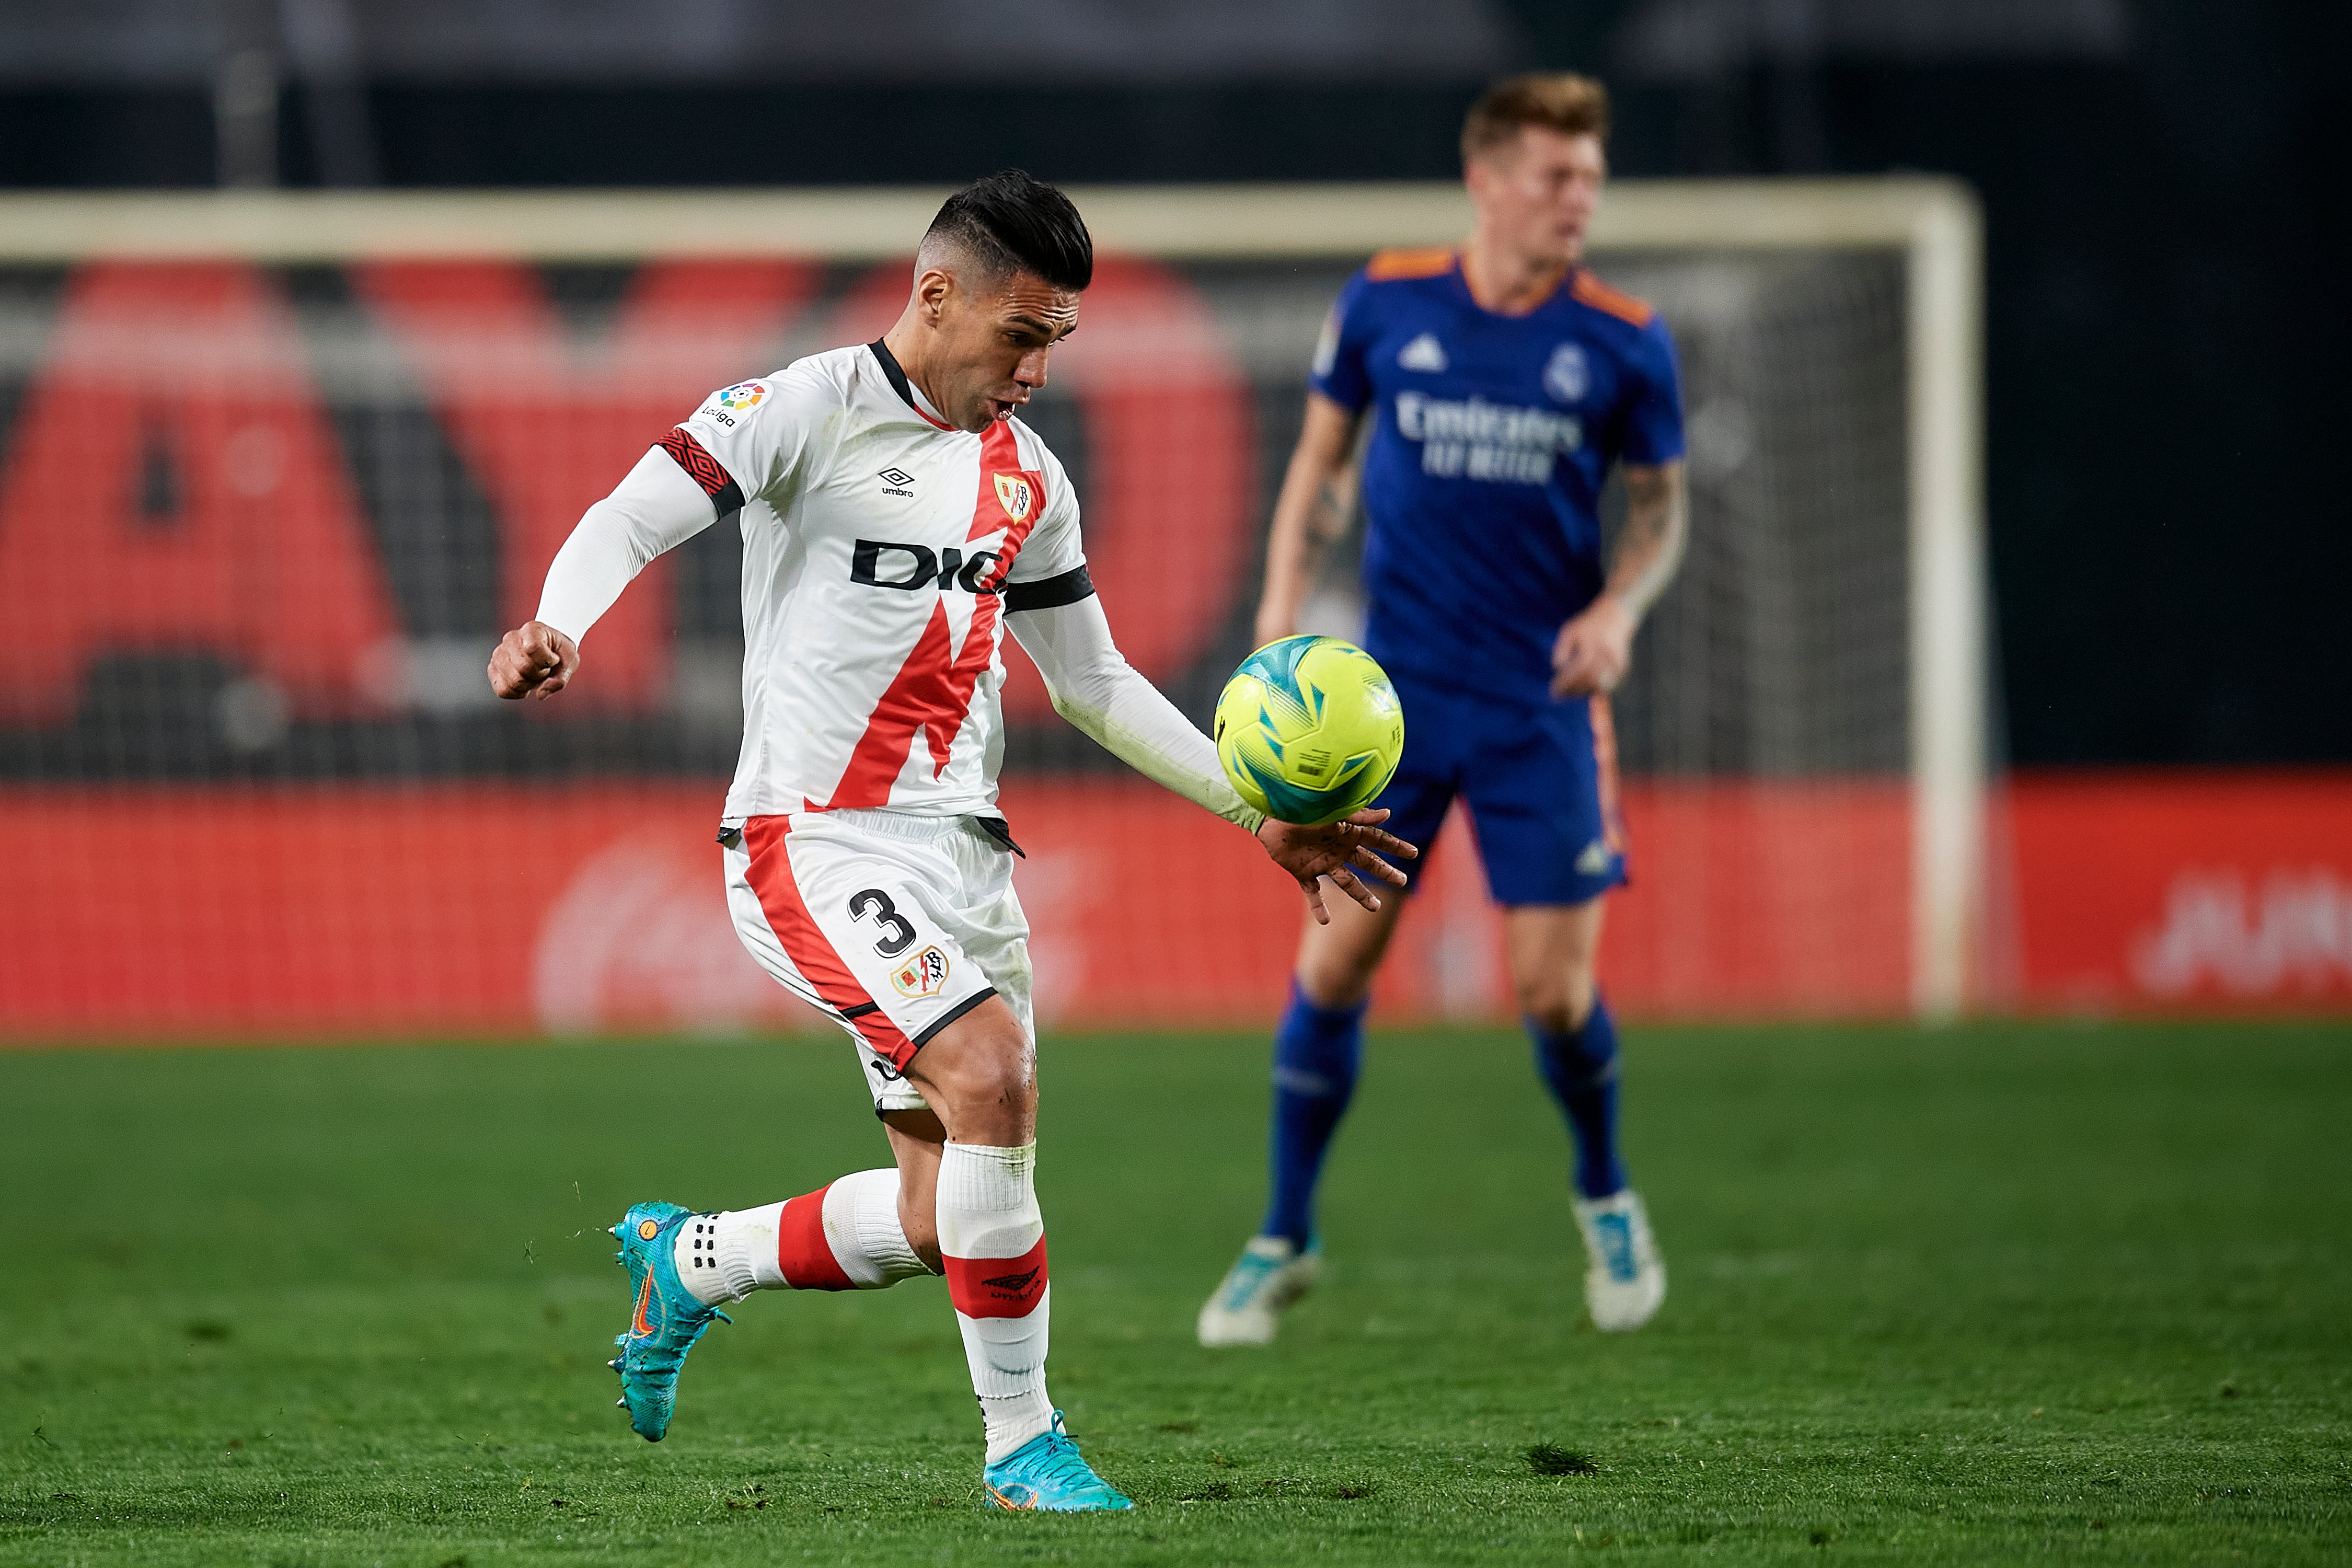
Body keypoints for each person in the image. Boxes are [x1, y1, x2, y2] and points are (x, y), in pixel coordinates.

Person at [486, 170, 1415, 1511]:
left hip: (968, 856)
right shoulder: (802, 410)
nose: (1038, 368)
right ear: (936, 295)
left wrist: (1255, 808)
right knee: (989, 1074)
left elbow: (1089, 682)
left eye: (1059, 342)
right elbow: (635, 510)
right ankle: (1024, 1448)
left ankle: (692, 1260)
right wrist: (556, 621)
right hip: (814, 838)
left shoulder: (1029, 475)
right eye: (1022, 335)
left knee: (940, 1215)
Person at [1197, 74, 1688, 1347]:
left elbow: (1661, 505)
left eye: (1590, 175)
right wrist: (1277, 606)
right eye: (1553, 175)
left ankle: (1605, 1196)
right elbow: (1320, 460)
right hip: (1387, 705)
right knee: (1336, 960)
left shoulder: (1627, 339)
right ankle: (1283, 1236)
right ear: (1487, 180)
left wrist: (1621, 609)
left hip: (1540, 700)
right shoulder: (1386, 300)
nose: (1577, 198)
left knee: (1555, 998)